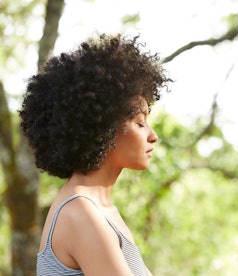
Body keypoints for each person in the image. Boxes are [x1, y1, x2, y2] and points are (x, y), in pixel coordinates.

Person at [19, 33, 171, 276]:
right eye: (140, 123)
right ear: (103, 127)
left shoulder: (101, 209)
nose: (153, 136)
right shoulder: (80, 212)